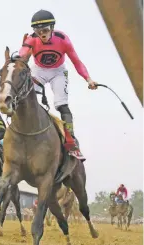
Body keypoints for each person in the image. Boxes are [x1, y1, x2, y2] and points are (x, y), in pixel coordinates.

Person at [19, 9, 99, 160]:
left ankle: (71, 141)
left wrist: (88, 79)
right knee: (28, 100)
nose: (41, 34)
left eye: (45, 30)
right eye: (37, 30)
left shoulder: (63, 40)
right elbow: (22, 53)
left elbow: (76, 61)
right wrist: (20, 53)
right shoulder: (31, 38)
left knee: (61, 105)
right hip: (39, 71)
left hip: (58, 72)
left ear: (52, 28)